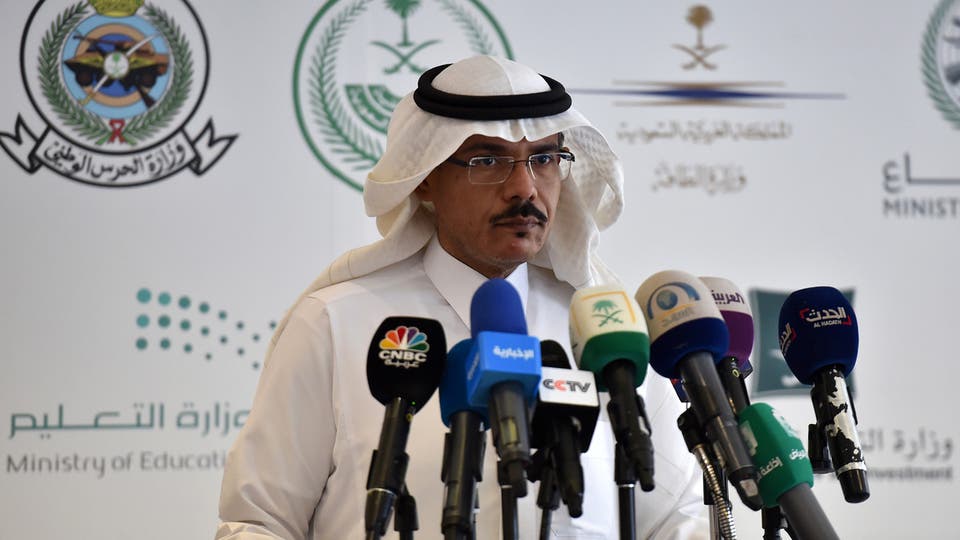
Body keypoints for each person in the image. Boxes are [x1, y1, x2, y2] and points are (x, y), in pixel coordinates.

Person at [216, 55, 707, 539]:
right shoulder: (337, 323)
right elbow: (259, 523)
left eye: (543, 159)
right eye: (487, 161)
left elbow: (677, 518)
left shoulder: (608, 330)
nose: (524, 188)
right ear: (426, 177)